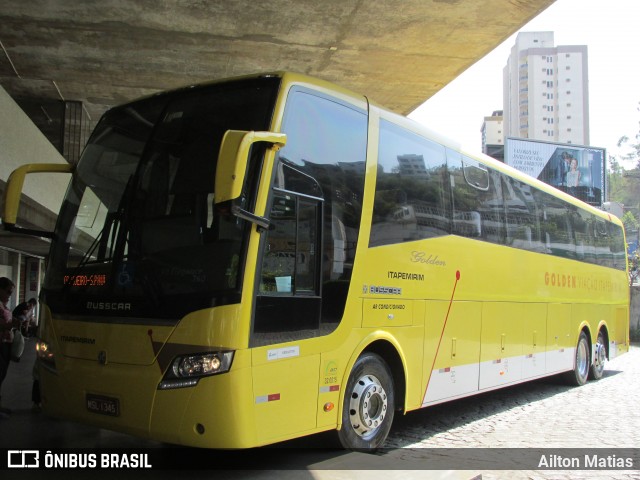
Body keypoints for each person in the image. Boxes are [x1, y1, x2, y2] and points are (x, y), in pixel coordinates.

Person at [0, 277, 20, 418]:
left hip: (5, 344)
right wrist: (11, 324)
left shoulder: (2, 304)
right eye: (7, 292)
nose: (9, 295)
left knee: (1, 375)